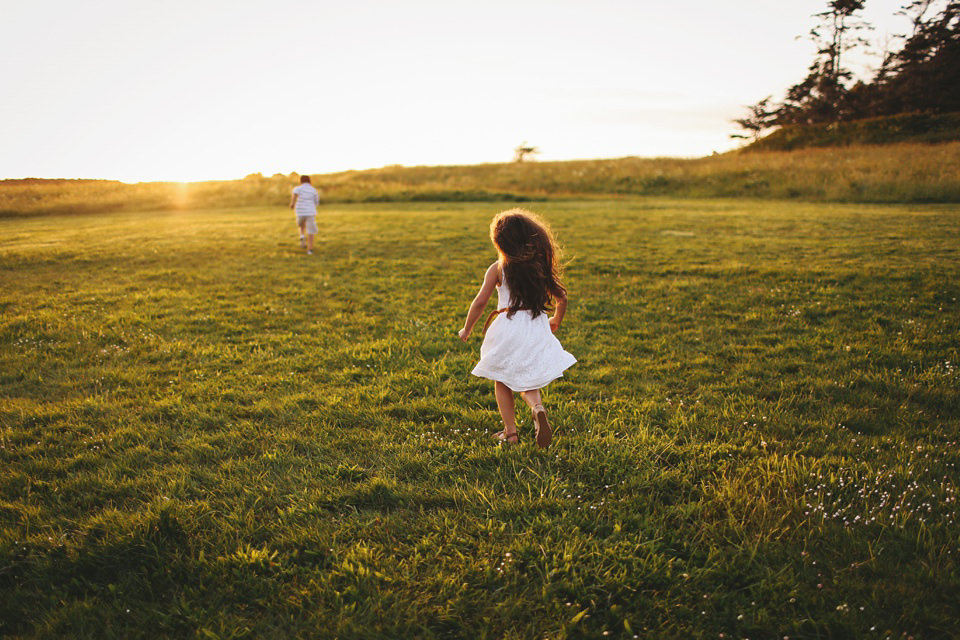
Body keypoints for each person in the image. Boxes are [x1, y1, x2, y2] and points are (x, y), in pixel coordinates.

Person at [458, 208, 576, 448]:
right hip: (535, 326)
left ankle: (510, 433)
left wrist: (467, 328)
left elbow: (480, 302)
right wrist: (555, 320)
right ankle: (537, 407)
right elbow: (562, 297)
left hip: (507, 327)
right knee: (527, 378)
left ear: (501, 243)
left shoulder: (498, 268)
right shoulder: (539, 267)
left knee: (502, 379)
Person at [289, 175, 320, 255]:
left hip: (300, 211)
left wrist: (292, 204)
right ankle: (310, 250)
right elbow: (316, 202)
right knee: (310, 231)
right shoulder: (313, 190)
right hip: (310, 212)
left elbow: (294, 196)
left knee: (301, 224)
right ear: (309, 181)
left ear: (301, 181)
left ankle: (302, 236)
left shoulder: (298, 188)